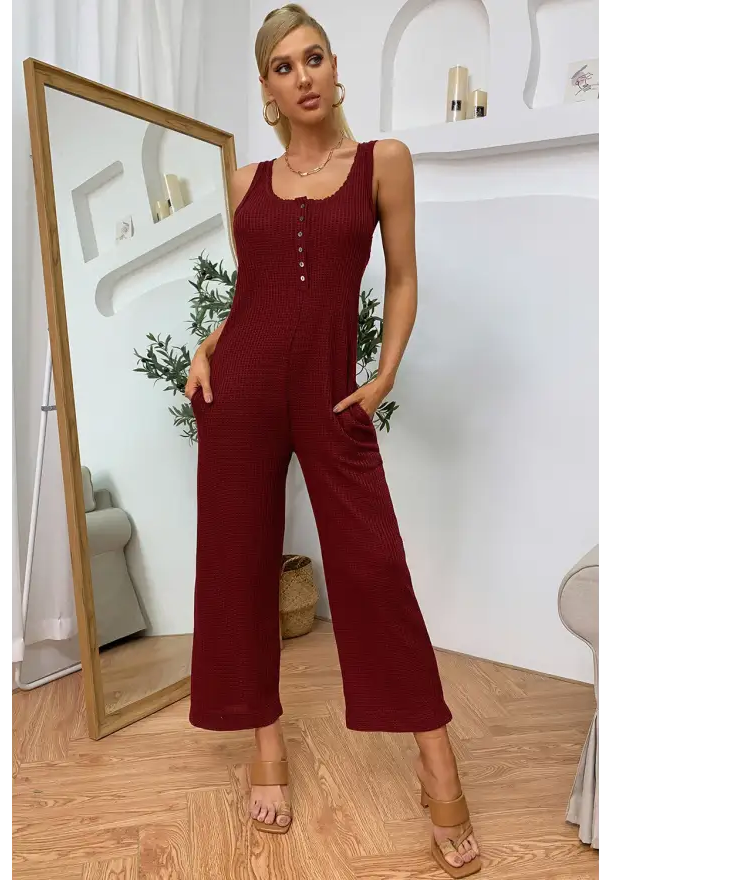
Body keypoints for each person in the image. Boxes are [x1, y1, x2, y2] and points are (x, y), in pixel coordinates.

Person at [184, 4, 481, 876]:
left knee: (373, 565)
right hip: (239, 392)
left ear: (335, 66)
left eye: (312, 57)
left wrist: (383, 375)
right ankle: (266, 747)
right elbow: (254, 297)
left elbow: (403, 277)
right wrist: (206, 348)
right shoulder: (244, 180)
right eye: (283, 66)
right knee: (237, 565)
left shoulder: (384, 162)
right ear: (268, 88)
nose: (302, 75)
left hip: (331, 393)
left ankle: (436, 762)